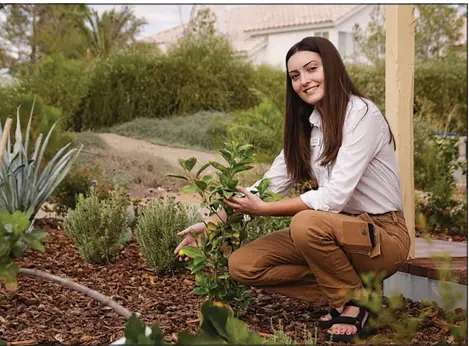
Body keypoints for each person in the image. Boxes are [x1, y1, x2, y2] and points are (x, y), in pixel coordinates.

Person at [174, 36, 410, 342]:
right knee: (243, 265)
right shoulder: (308, 126)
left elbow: (334, 198)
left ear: (332, 67)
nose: (304, 81)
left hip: (383, 237)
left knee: (306, 222)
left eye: (312, 69)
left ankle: (353, 304)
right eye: (295, 76)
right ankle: (355, 293)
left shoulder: (361, 114)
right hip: (334, 231)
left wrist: (266, 210)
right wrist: (211, 224)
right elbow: (267, 186)